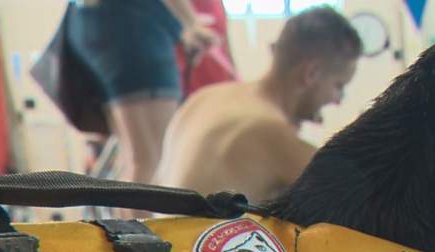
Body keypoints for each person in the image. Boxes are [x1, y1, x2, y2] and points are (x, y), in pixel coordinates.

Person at [154, 6, 361, 202]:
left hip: (158, 235)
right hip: (194, 239)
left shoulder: (204, 97)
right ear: (312, 73)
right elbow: (355, 194)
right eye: (338, 86)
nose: (338, 100)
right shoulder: (269, 130)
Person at [67, 0, 218, 186]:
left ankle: (129, 215)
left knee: (133, 159)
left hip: (95, 23)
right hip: (131, 25)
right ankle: (143, 215)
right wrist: (191, 24)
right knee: (153, 160)